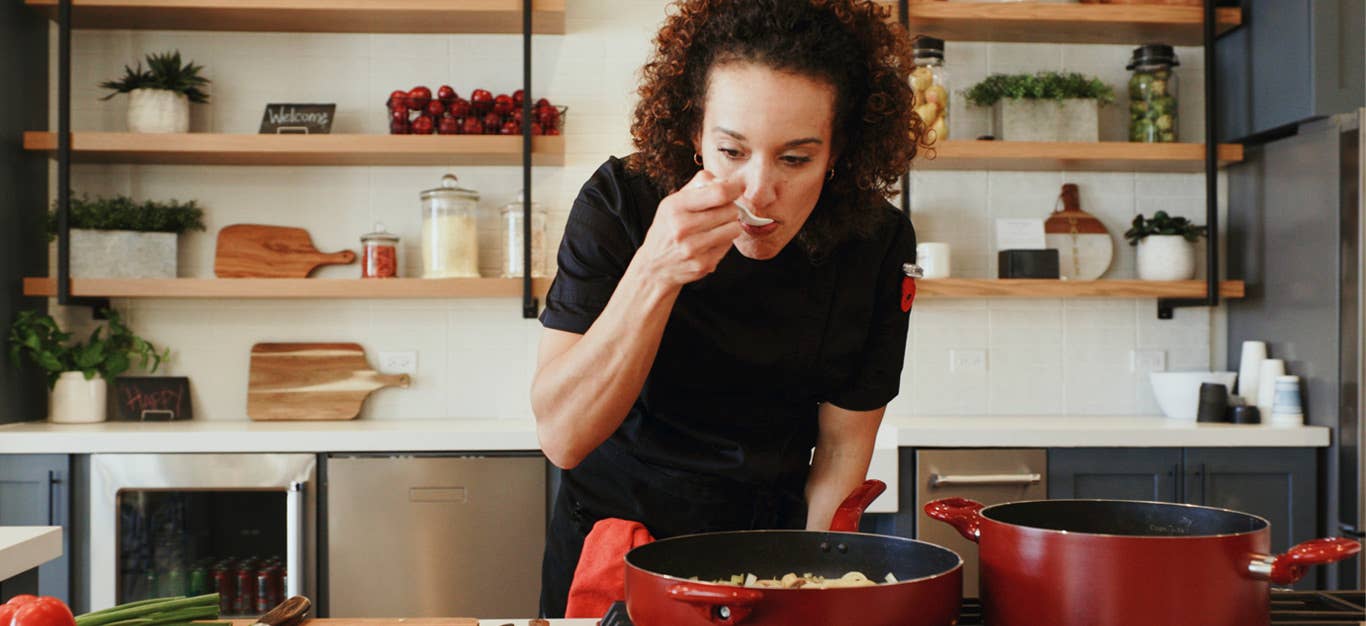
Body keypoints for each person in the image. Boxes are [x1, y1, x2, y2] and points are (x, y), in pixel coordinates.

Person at [531, 0, 929, 617]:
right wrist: (656, 271)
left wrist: (814, 587)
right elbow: (562, 437)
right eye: (731, 151)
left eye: (796, 159)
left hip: (771, 553)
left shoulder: (876, 242)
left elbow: (844, 449)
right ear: (694, 135)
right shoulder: (620, 204)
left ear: (839, 152)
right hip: (615, 551)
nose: (759, 191)